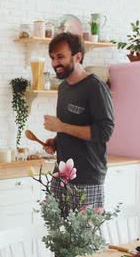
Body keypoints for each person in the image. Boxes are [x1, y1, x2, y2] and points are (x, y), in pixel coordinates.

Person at [43, 32, 115, 208]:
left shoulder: (95, 87)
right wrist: (56, 141)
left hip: (87, 179)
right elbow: (71, 127)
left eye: (60, 57)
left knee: (85, 235)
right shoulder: (63, 88)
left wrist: (61, 127)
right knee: (56, 235)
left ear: (78, 57)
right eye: (52, 58)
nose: (54, 63)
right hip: (61, 176)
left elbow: (104, 132)